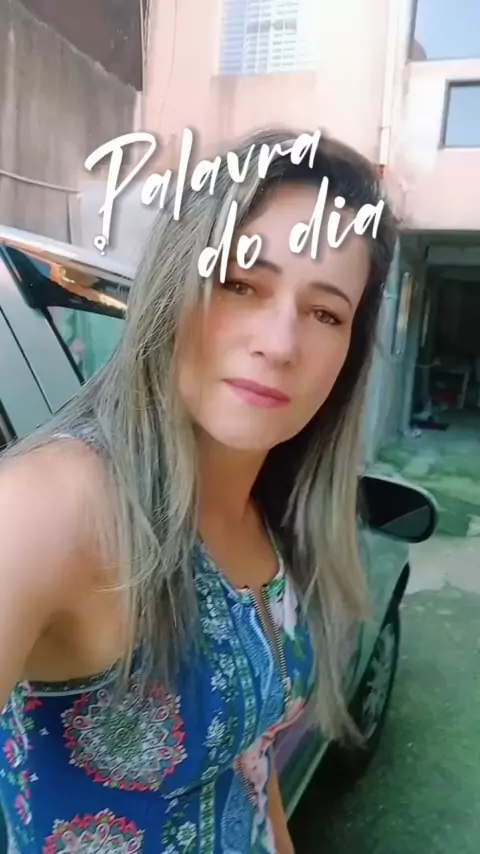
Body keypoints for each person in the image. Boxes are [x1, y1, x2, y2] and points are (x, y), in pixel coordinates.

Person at [0, 128, 396, 854]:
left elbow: (251, 765)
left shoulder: (274, 515)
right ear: (173, 283)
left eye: (325, 313)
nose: (280, 343)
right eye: (240, 283)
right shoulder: (49, 510)